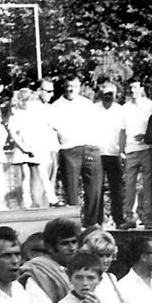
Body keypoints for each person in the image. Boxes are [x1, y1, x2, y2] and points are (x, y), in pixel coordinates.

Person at [52, 77, 103, 227]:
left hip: (89, 148)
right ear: (64, 87)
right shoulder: (56, 106)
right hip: (69, 149)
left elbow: (96, 124)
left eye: (74, 86)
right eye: (68, 86)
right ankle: (74, 224)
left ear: (79, 87)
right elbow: (53, 128)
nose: (71, 89)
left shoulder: (87, 104)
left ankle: (91, 222)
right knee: (71, 187)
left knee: (94, 187)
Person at [121, 79, 152, 229]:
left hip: (147, 149)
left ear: (141, 88)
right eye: (130, 88)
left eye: (135, 87)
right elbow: (122, 131)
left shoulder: (151, 106)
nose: (132, 90)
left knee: (147, 185)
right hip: (130, 150)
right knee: (130, 185)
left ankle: (148, 217)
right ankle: (130, 217)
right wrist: (121, 150)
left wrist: (146, 136)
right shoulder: (124, 108)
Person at [95, 82, 126, 227]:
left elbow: (123, 132)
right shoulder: (94, 109)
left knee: (117, 189)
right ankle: (97, 220)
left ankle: (119, 220)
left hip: (114, 154)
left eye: (111, 94)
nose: (108, 97)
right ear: (101, 94)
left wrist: (121, 151)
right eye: (105, 94)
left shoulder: (120, 110)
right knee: (97, 189)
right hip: (97, 154)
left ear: (115, 95)